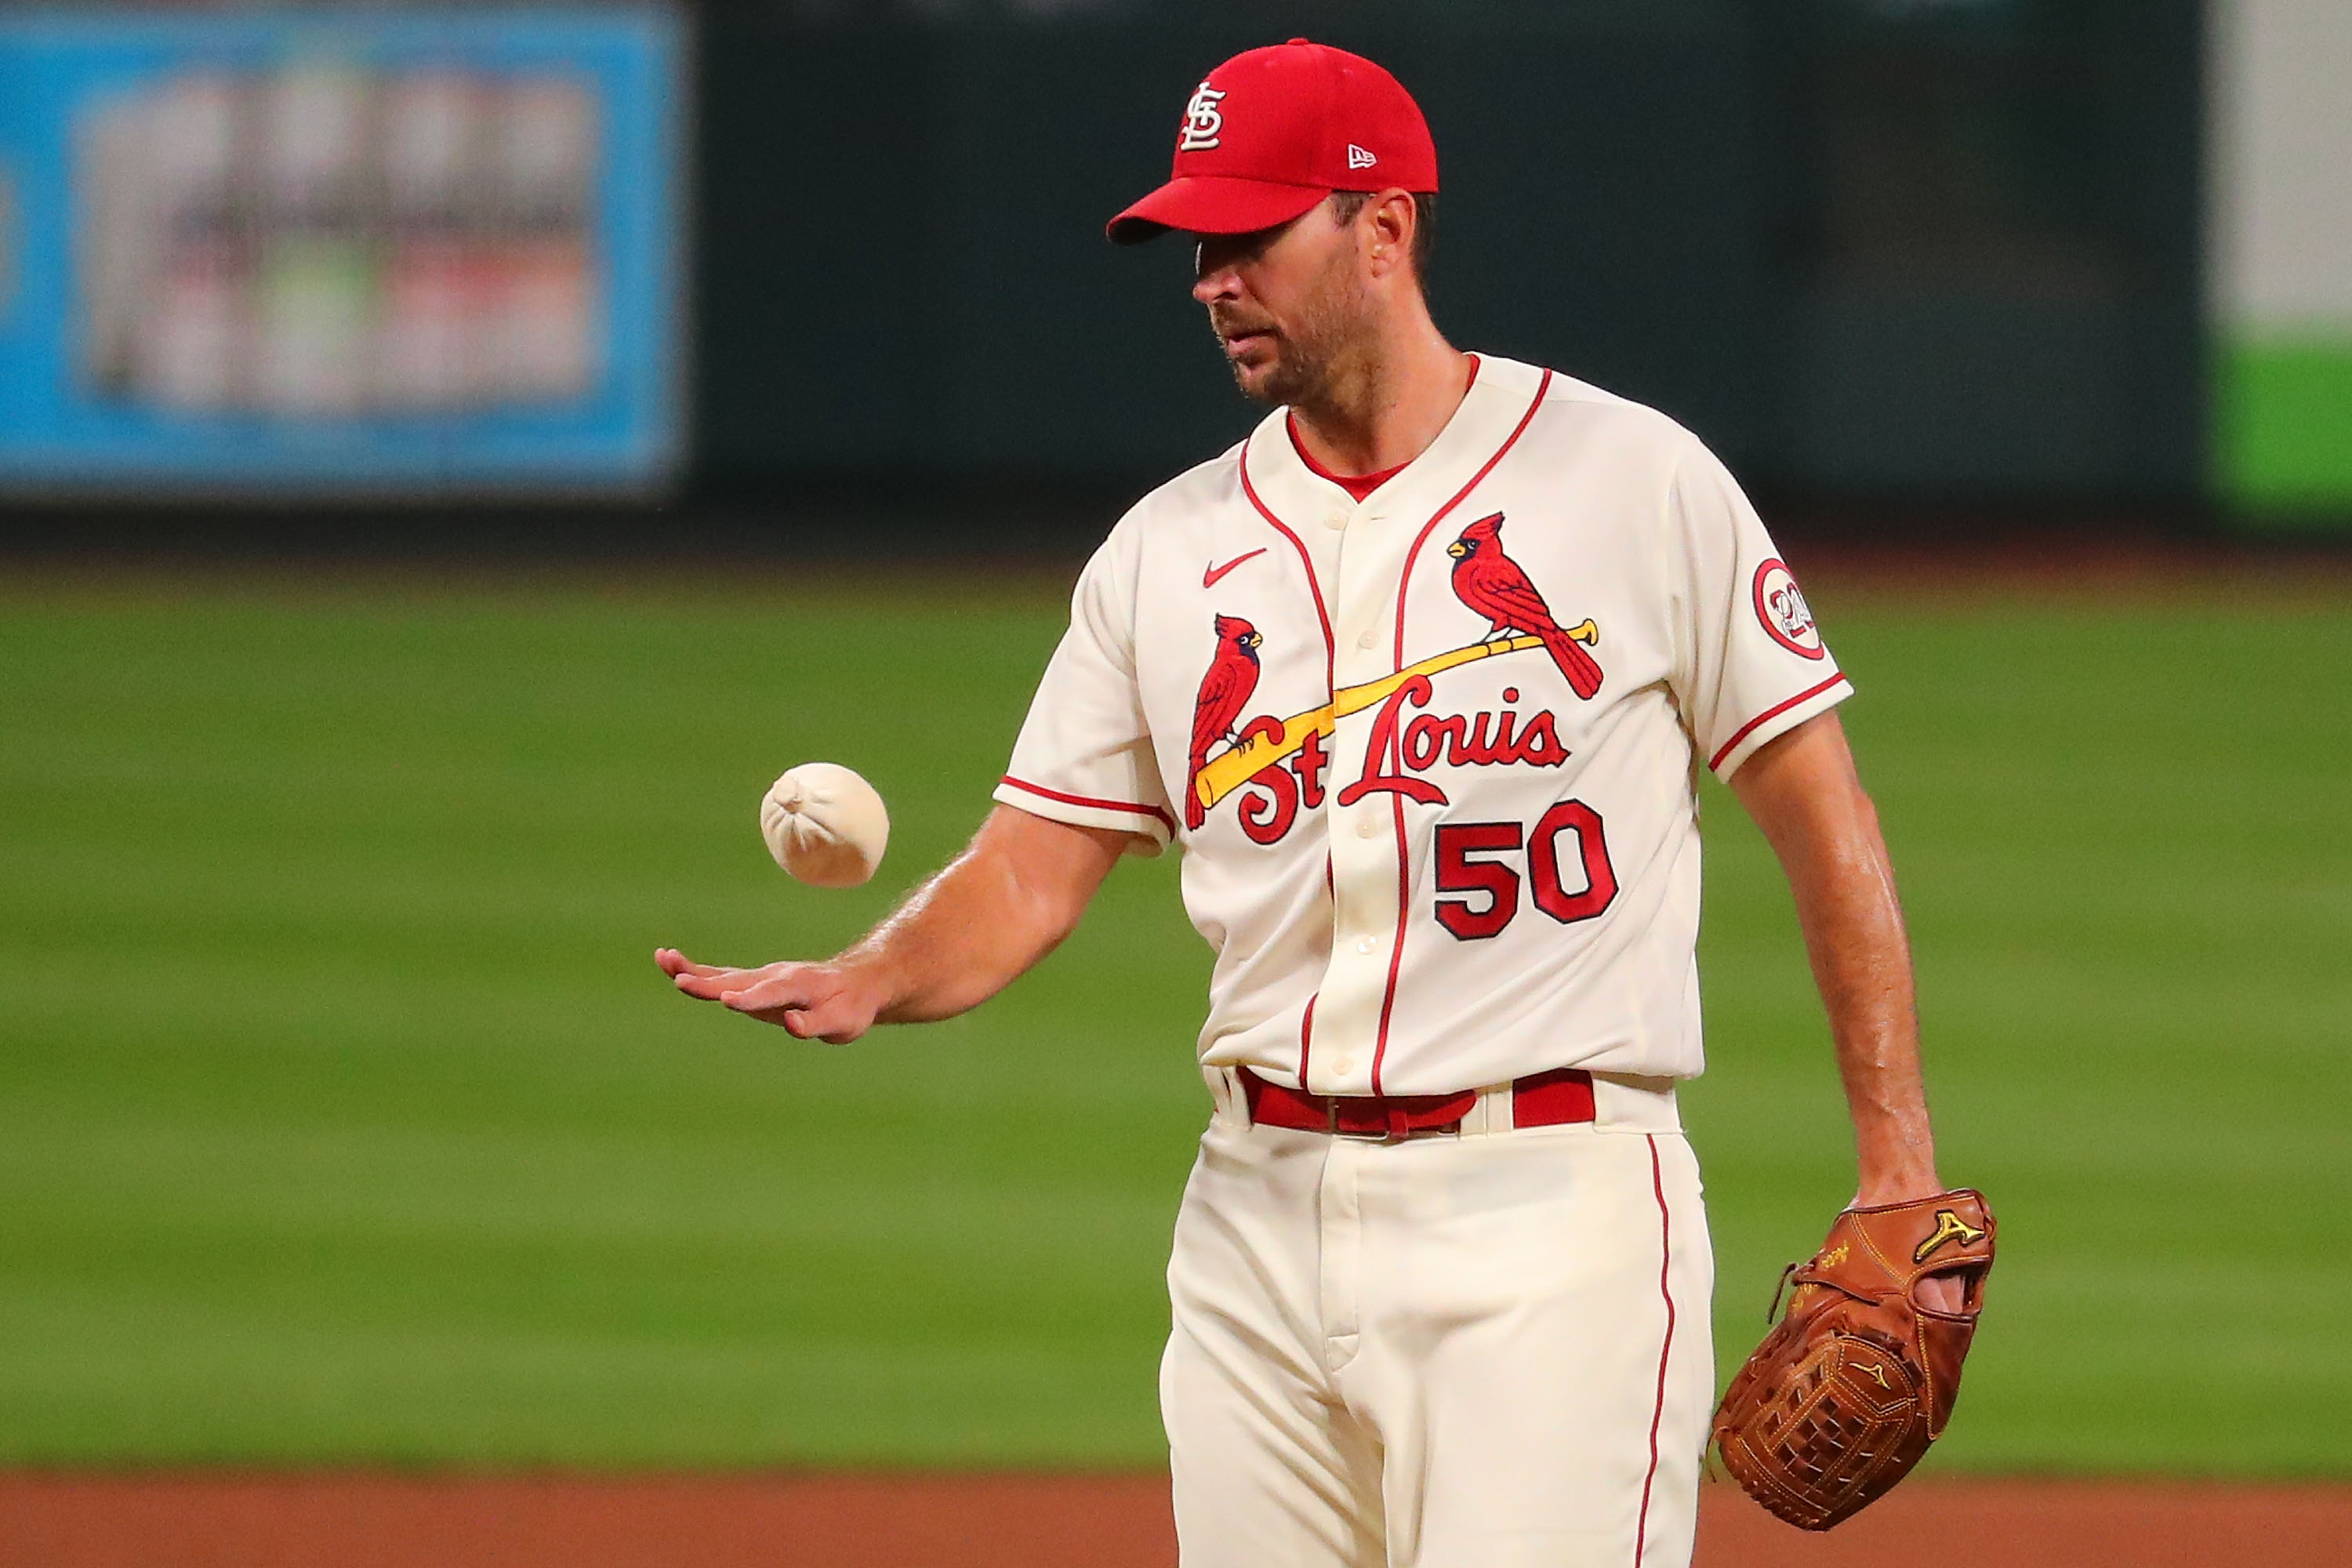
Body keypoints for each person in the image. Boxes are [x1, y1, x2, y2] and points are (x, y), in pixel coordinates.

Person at [659, 38, 1958, 1568]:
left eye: (1251, 235)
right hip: (1254, 1227)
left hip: (1548, 1221)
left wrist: (1898, 1161)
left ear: (1385, 227)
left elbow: (1822, 809)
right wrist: (880, 967)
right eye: (1198, 243)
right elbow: (1030, 865)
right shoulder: (1165, 552)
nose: (1214, 278)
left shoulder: (1634, 480)